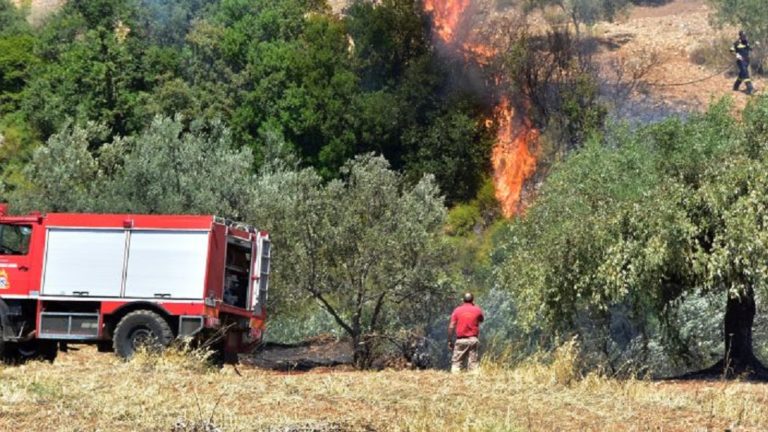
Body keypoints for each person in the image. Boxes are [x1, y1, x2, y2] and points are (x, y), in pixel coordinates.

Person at [448, 292, 484, 373]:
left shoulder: (457, 310)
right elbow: (481, 319)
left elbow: (451, 326)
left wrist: (450, 340)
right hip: (473, 341)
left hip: (461, 340)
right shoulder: (477, 309)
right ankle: (475, 382)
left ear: (463, 300)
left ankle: (454, 382)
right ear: (473, 300)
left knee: (456, 364)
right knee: (473, 364)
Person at [731, 30, 754, 95]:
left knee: (742, 73)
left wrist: (755, 45)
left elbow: (750, 49)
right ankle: (750, 88)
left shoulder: (746, 42)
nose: (745, 37)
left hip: (747, 61)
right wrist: (737, 55)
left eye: (745, 36)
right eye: (743, 36)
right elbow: (731, 50)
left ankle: (736, 86)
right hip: (740, 61)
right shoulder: (736, 43)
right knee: (745, 73)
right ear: (740, 36)